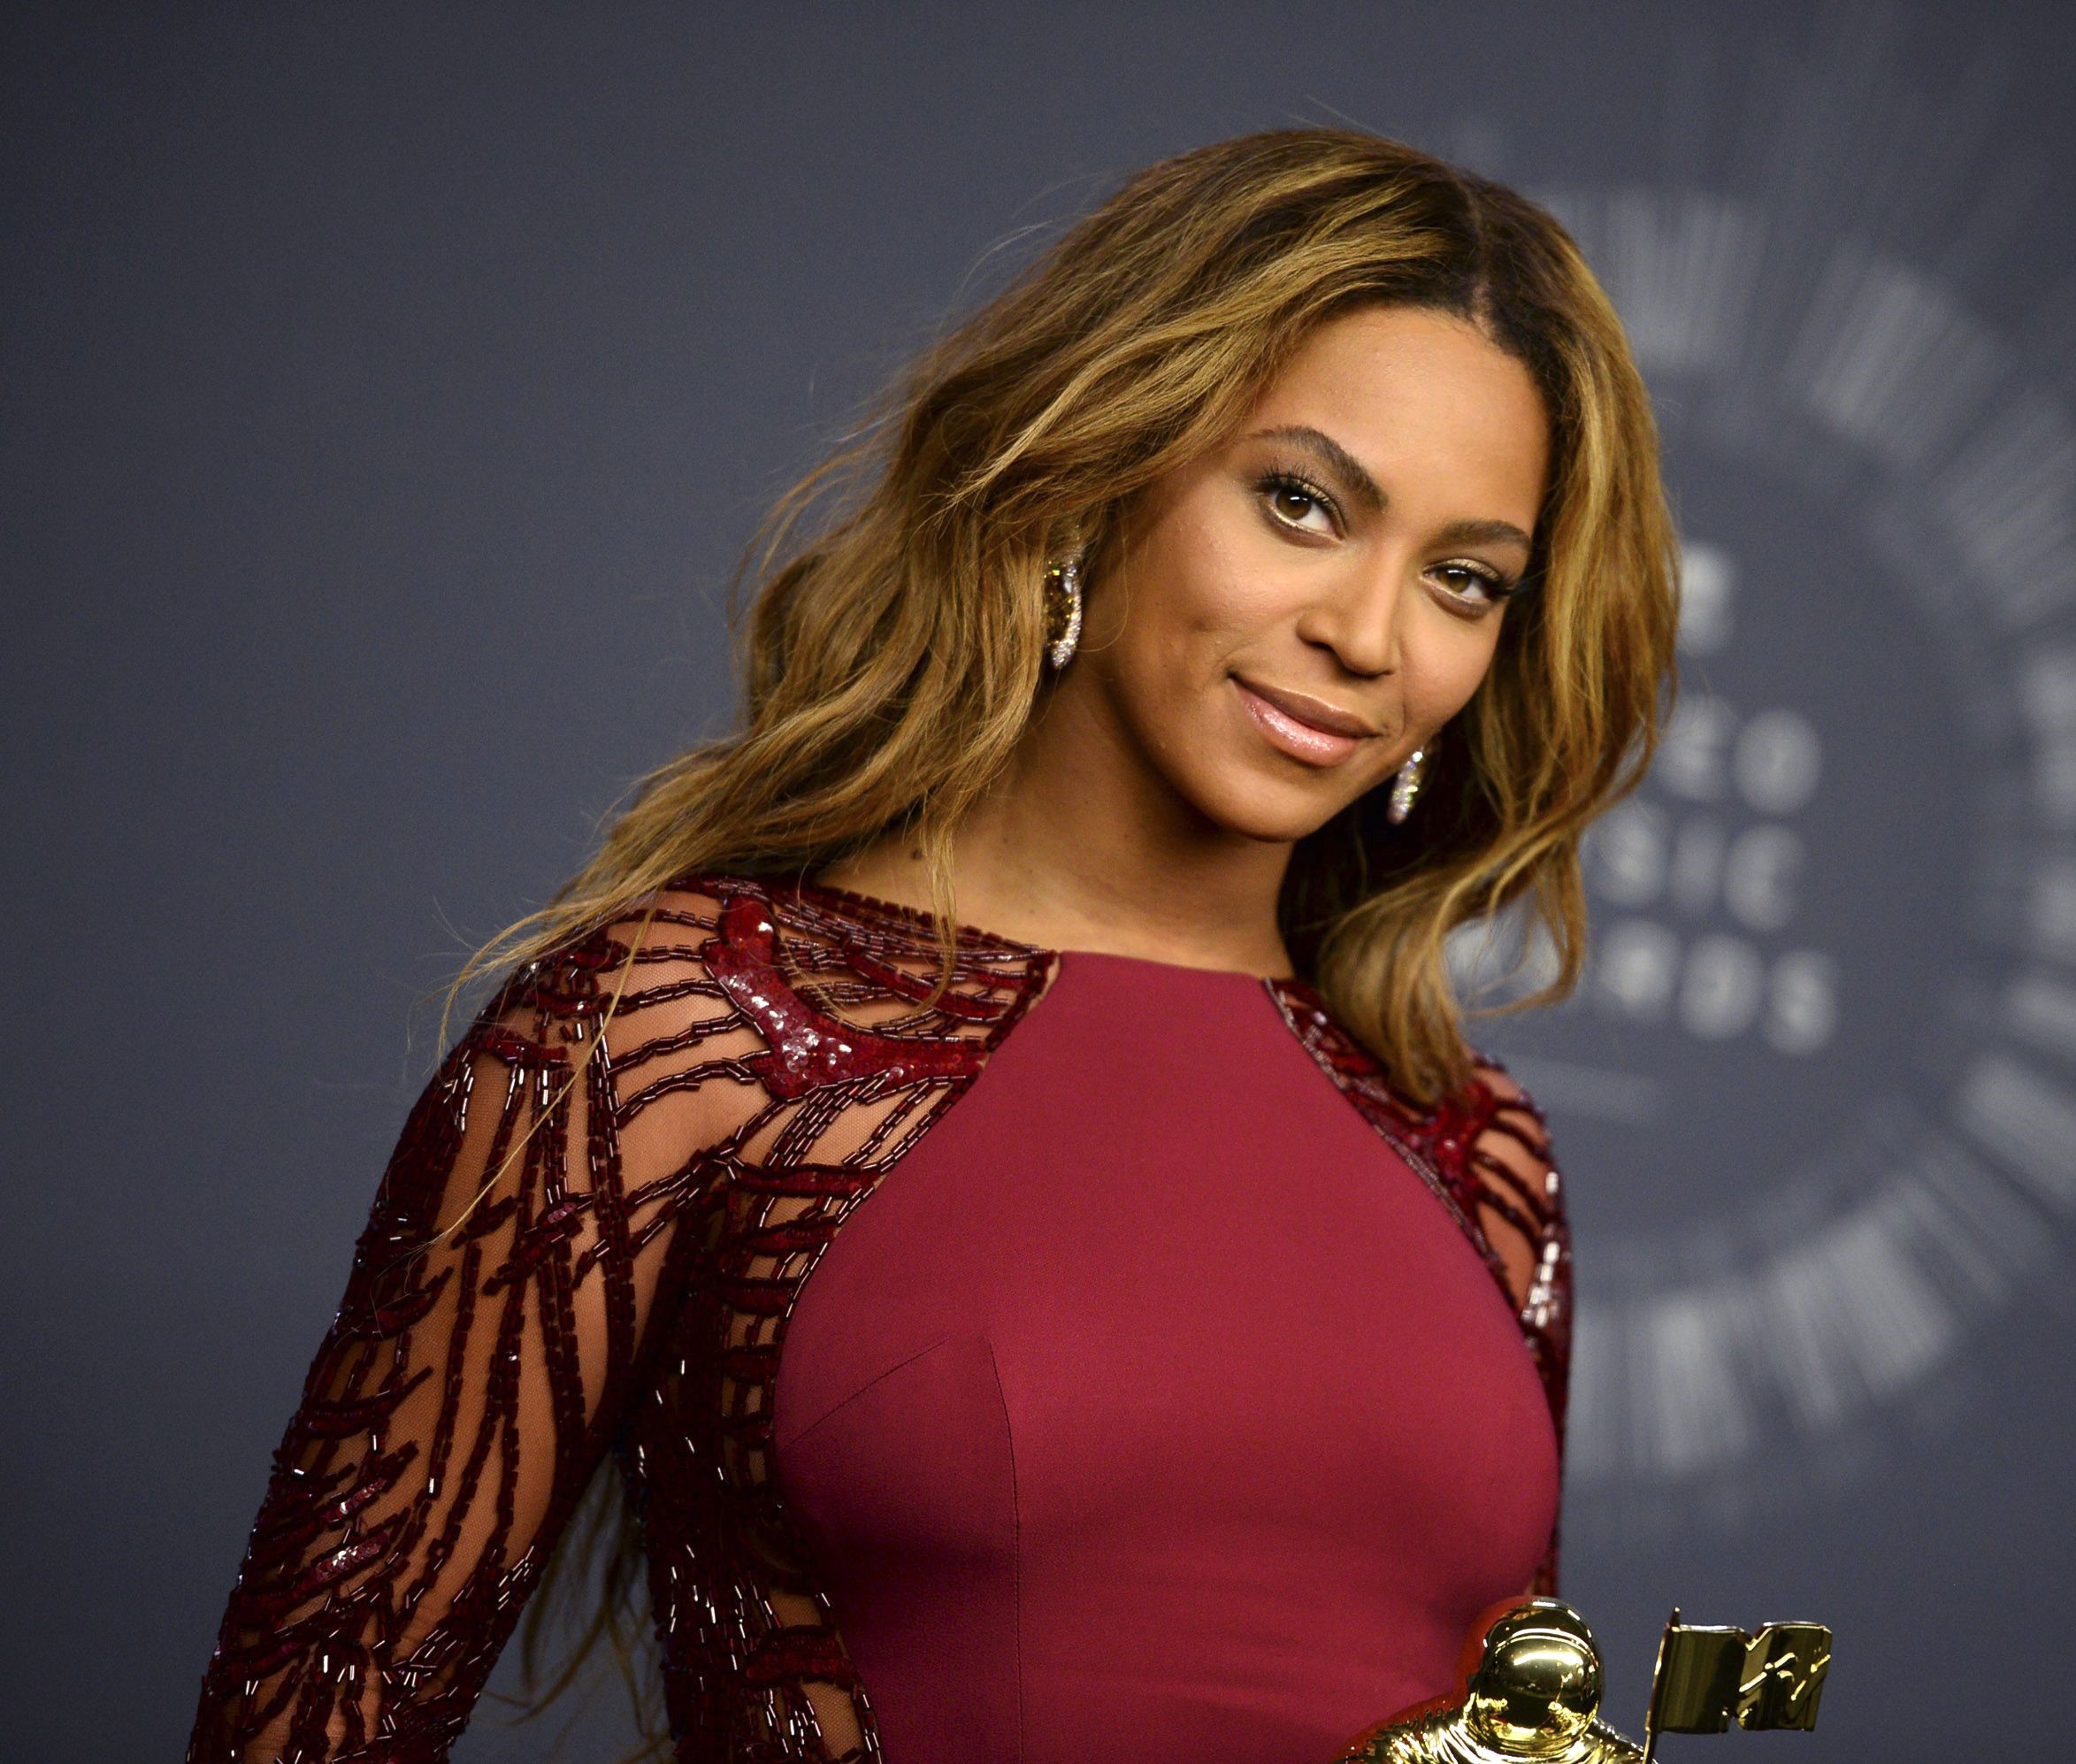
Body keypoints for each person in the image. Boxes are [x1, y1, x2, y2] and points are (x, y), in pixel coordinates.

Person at [185, 127, 1677, 1764]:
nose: (1369, 635)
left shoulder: (1474, 1155)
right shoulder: (689, 1036)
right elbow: (314, 1720)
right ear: (1100, 468)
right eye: (1303, 502)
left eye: (1464, 579)